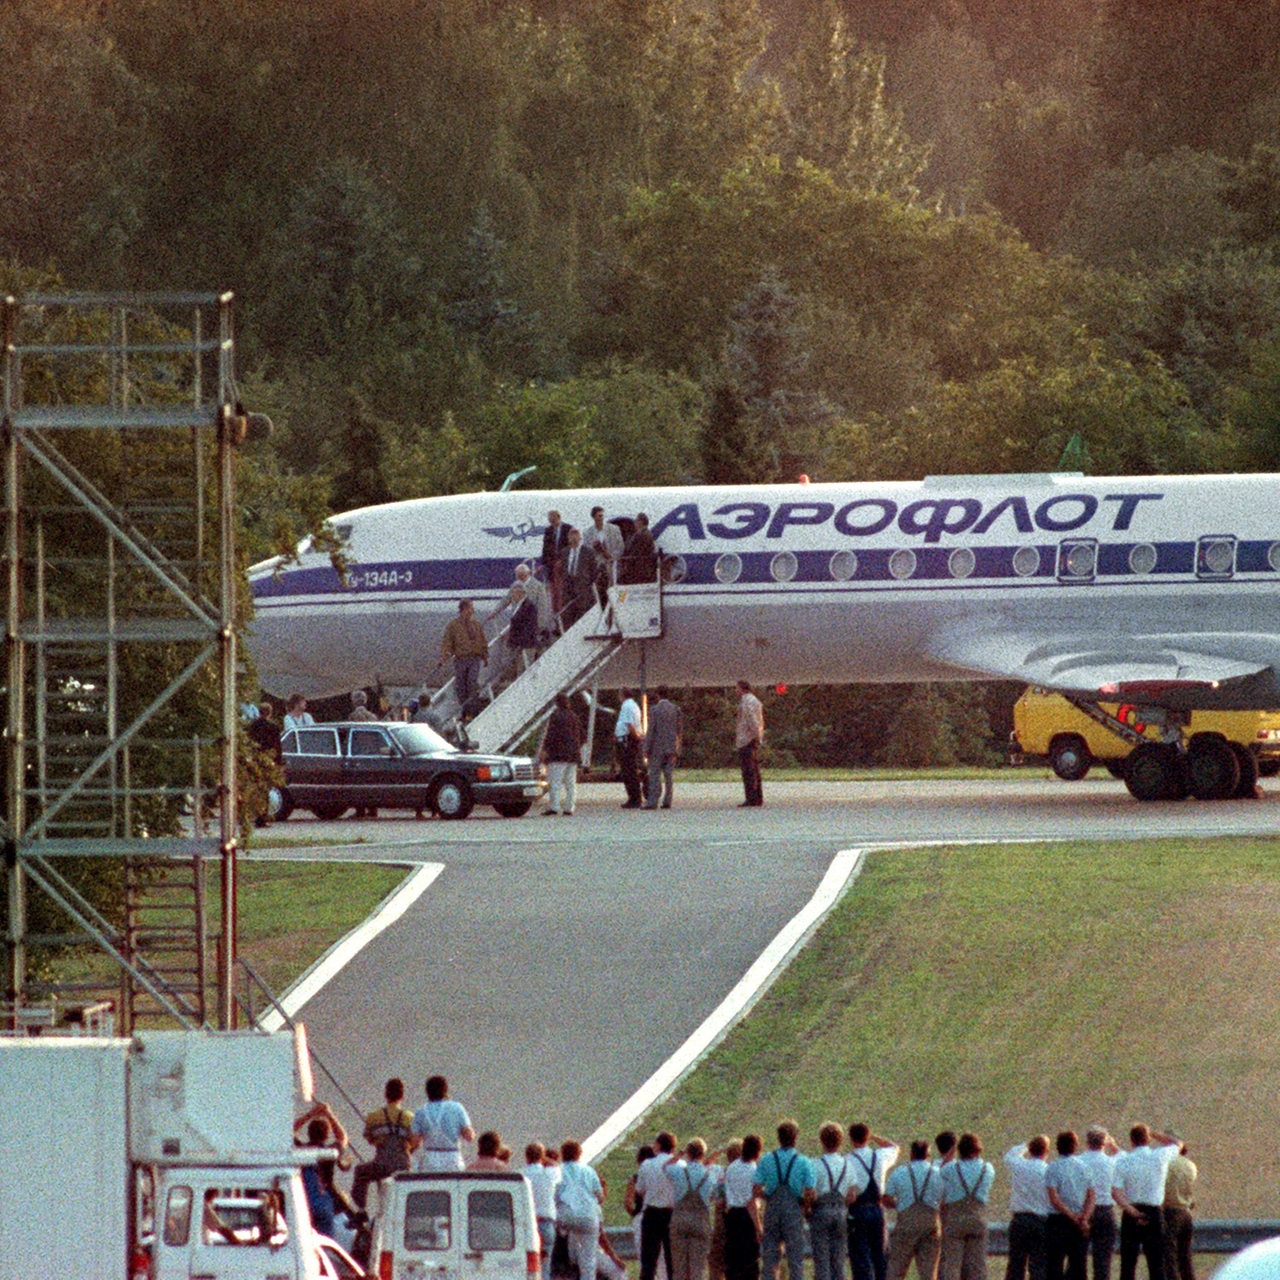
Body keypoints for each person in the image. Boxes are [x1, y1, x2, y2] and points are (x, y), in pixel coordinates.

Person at [1111, 1125, 1182, 1280]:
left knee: (1128, 1265)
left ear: (1131, 1140)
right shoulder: (1159, 1156)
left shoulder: (1123, 1161)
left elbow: (1115, 1193)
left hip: (1131, 1213)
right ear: (1148, 1139)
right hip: (1154, 1212)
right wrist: (1156, 1134)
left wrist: (1131, 1211)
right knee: (1157, 1264)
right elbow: (1178, 1144)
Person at [755, 1120, 814, 1280]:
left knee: (770, 1259)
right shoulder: (803, 1161)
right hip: (793, 1211)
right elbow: (810, 1190)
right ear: (795, 1138)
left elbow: (756, 1189)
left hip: (772, 1210)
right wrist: (806, 1208)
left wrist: (767, 1196)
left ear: (779, 1138)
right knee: (795, 1260)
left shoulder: (767, 1159)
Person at [351, 1077, 420, 1210]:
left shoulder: (373, 1117)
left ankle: (361, 1210)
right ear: (402, 1096)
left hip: (381, 1165)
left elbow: (370, 1139)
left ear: (385, 1094)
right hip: (403, 1166)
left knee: (360, 1171)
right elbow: (415, 1142)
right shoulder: (410, 1118)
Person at [883, 1139, 943, 1280]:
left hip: (906, 1223)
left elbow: (886, 1199)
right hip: (931, 1223)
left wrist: (899, 1204)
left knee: (896, 1269)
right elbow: (945, 1200)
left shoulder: (900, 1172)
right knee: (929, 1273)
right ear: (928, 1154)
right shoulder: (938, 1173)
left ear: (911, 1154)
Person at [846, 1124, 899, 1280]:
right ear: (867, 1138)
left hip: (857, 1211)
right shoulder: (880, 1156)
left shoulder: (848, 1160)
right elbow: (893, 1146)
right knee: (880, 1256)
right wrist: (874, 1137)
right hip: (877, 1209)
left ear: (851, 1139)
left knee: (860, 1258)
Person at [939, 1132, 995, 1280]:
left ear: (960, 1150)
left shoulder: (952, 1168)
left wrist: (953, 1150)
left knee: (952, 1264)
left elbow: (941, 1168)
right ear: (978, 1150)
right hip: (978, 1218)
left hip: (956, 1218)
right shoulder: (987, 1168)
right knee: (978, 1264)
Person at [666, 1138, 721, 1280]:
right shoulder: (710, 1176)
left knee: (679, 1269)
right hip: (700, 1222)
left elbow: (665, 1167)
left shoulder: (678, 1171)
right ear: (703, 1154)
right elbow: (716, 1198)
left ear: (688, 1154)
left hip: (680, 1220)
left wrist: (679, 1155)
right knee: (698, 1269)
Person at [1044, 1131, 1095, 1280]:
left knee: (1054, 1266)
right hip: (1079, 1221)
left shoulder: (1053, 1167)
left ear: (1058, 1146)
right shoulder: (1084, 1167)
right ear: (1075, 1146)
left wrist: (1071, 1215)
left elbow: (1054, 1198)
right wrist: (1084, 1217)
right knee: (1079, 1266)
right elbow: (1092, 1196)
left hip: (1058, 1221)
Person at [557, 1140, 605, 1280]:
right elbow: (600, 1197)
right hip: (588, 1216)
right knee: (589, 1259)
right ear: (579, 1154)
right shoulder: (589, 1171)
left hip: (565, 1214)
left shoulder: (558, 1170)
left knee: (559, 1240)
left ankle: (564, 1263)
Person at [1005, 1135, 1051, 1280]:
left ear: (1030, 1150)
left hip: (1019, 1220)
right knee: (1038, 1266)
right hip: (1041, 1222)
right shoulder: (1049, 1171)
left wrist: (1025, 1144)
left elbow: (1009, 1156)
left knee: (1015, 1266)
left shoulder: (1020, 1166)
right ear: (1047, 1151)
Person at [1079, 1128, 1121, 1280]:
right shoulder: (1112, 1162)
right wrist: (1113, 1145)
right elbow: (1125, 1156)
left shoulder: (1079, 1161)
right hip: (1105, 1212)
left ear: (1087, 1142)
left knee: (1078, 1260)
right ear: (1104, 1143)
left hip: (1083, 1212)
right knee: (1103, 1262)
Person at [638, 1132, 680, 1280]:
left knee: (648, 1260)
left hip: (652, 1213)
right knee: (673, 1260)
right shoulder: (680, 1165)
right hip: (672, 1213)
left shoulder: (647, 1164)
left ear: (660, 1145)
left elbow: (640, 1190)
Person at [810, 1122, 849, 1280]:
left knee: (821, 1259)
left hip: (821, 1210)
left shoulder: (815, 1164)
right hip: (841, 1210)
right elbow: (852, 1194)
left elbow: (810, 1192)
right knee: (839, 1259)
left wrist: (807, 1209)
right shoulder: (847, 1163)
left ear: (821, 1140)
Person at [412, 1075, 476, 1171]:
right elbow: (469, 1136)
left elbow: (414, 1141)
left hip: (430, 1157)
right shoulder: (457, 1108)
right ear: (445, 1091)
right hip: (452, 1157)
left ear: (427, 1092)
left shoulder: (420, 1111)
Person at [722, 1135, 762, 1280]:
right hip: (747, 1218)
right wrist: (759, 1228)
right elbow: (751, 1203)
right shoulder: (754, 1170)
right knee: (750, 1262)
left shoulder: (731, 1167)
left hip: (732, 1214)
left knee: (733, 1261)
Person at [440, 599, 489, 716]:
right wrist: (444, 655)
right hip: (461, 658)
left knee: (472, 683)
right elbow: (447, 641)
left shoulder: (476, 625)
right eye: (470, 608)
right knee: (461, 686)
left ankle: (474, 711)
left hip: (474, 658)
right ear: (464, 609)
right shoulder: (453, 626)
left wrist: (485, 655)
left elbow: (482, 640)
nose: (472, 611)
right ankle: (465, 710)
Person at [540, 692, 583, 816]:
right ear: (568, 702)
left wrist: (545, 750)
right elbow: (583, 736)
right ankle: (569, 808)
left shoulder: (555, 716)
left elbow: (551, 735)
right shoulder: (574, 716)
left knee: (555, 782)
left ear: (556, 703)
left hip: (557, 754)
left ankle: (554, 807)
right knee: (570, 783)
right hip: (573, 755)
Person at [524, 1142, 563, 1280]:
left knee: (526, 1268)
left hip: (526, 1225)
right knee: (545, 1267)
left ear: (526, 1156)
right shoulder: (550, 1173)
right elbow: (557, 1167)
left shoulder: (521, 1174)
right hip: (546, 1223)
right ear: (542, 1156)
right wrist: (543, 1158)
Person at [1161, 1143, 1196, 1280]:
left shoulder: (1167, 1165)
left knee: (1169, 1254)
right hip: (1186, 1213)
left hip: (1171, 1212)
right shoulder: (1190, 1165)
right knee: (1185, 1256)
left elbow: (1163, 1189)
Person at [643, 688, 682, 809]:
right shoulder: (676, 709)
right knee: (668, 776)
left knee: (655, 775)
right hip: (671, 747)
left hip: (657, 747)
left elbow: (651, 730)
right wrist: (677, 748)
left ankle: (652, 802)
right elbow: (679, 730)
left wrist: (646, 748)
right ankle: (667, 801)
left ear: (658, 695)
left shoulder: (654, 710)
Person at [709, 1140, 742, 1280]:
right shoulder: (748, 1174)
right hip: (742, 1227)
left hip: (722, 1226)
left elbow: (717, 1200)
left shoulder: (723, 1176)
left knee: (716, 1264)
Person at [561, 527, 600, 628]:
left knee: (583, 613)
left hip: (583, 588)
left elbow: (594, 571)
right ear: (568, 538)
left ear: (580, 537)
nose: (573, 537)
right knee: (568, 614)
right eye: (571, 535)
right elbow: (563, 569)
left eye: (576, 534)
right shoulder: (564, 552)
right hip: (568, 588)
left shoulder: (588, 552)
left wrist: (587, 583)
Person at [734, 681, 764, 807]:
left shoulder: (747, 702)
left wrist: (754, 734)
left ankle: (751, 797)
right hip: (752, 738)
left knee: (748, 770)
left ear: (741, 688)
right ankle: (757, 796)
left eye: (737, 688)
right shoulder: (755, 701)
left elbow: (751, 719)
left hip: (747, 739)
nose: (736, 691)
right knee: (754, 769)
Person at [542, 510, 574, 618]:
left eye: (553, 520)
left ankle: (564, 618)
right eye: (550, 521)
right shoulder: (548, 531)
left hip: (563, 565)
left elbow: (571, 547)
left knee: (562, 594)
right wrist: (544, 563)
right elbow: (545, 549)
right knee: (554, 596)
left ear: (559, 517)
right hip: (552, 566)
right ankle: (556, 620)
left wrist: (563, 560)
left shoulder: (568, 529)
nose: (552, 523)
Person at [616, 688, 645, 808]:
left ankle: (634, 798)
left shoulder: (626, 706)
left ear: (623, 695)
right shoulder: (634, 705)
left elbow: (629, 724)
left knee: (628, 770)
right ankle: (635, 797)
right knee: (631, 769)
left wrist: (635, 737)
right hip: (630, 739)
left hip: (627, 740)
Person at [586, 505, 625, 593]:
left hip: (611, 565)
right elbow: (586, 551)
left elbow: (621, 547)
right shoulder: (588, 533)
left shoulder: (614, 529)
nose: (601, 518)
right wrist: (594, 549)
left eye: (602, 515)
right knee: (599, 591)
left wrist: (610, 556)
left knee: (613, 590)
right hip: (597, 566)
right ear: (593, 517)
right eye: (599, 516)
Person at [507, 586, 540, 674]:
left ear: (520, 594)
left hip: (526, 644)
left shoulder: (529, 606)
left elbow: (529, 626)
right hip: (521, 644)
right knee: (520, 668)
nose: (512, 596)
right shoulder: (520, 605)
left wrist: (521, 643)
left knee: (526, 669)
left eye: (513, 594)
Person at [620, 512, 658, 584]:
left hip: (640, 569)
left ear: (641, 522)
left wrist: (627, 562)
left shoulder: (642, 535)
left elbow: (637, 551)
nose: (634, 523)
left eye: (636, 521)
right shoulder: (646, 533)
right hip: (642, 568)